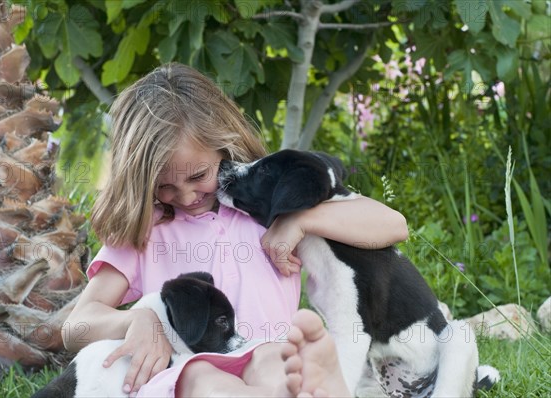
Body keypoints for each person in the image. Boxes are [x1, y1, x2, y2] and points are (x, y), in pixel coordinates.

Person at [62, 63, 408, 397]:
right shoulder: (147, 231)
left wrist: (301, 221)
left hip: (268, 354)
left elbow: (393, 225)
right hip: (184, 368)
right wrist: (139, 320)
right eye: (164, 186)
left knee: (276, 363)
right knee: (204, 378)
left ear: (224, 145)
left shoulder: (269, 207)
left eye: (198, 176)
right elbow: (76, 326)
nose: (185, 197)